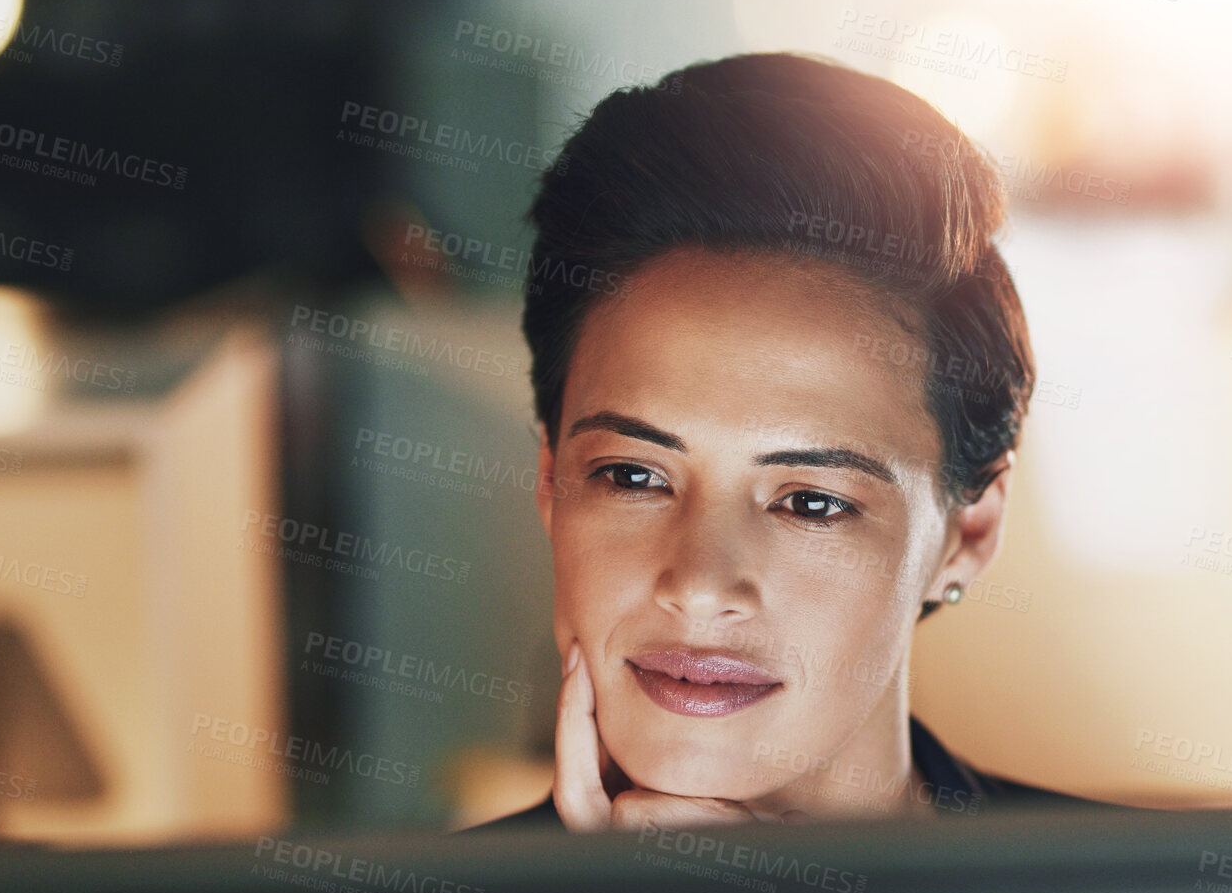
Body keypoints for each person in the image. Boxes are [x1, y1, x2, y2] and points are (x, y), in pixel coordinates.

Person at [470, 51, 1111, 832]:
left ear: (968, 531)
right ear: (549, 480)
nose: (700, 586)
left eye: (811, 502)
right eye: (632, 477)